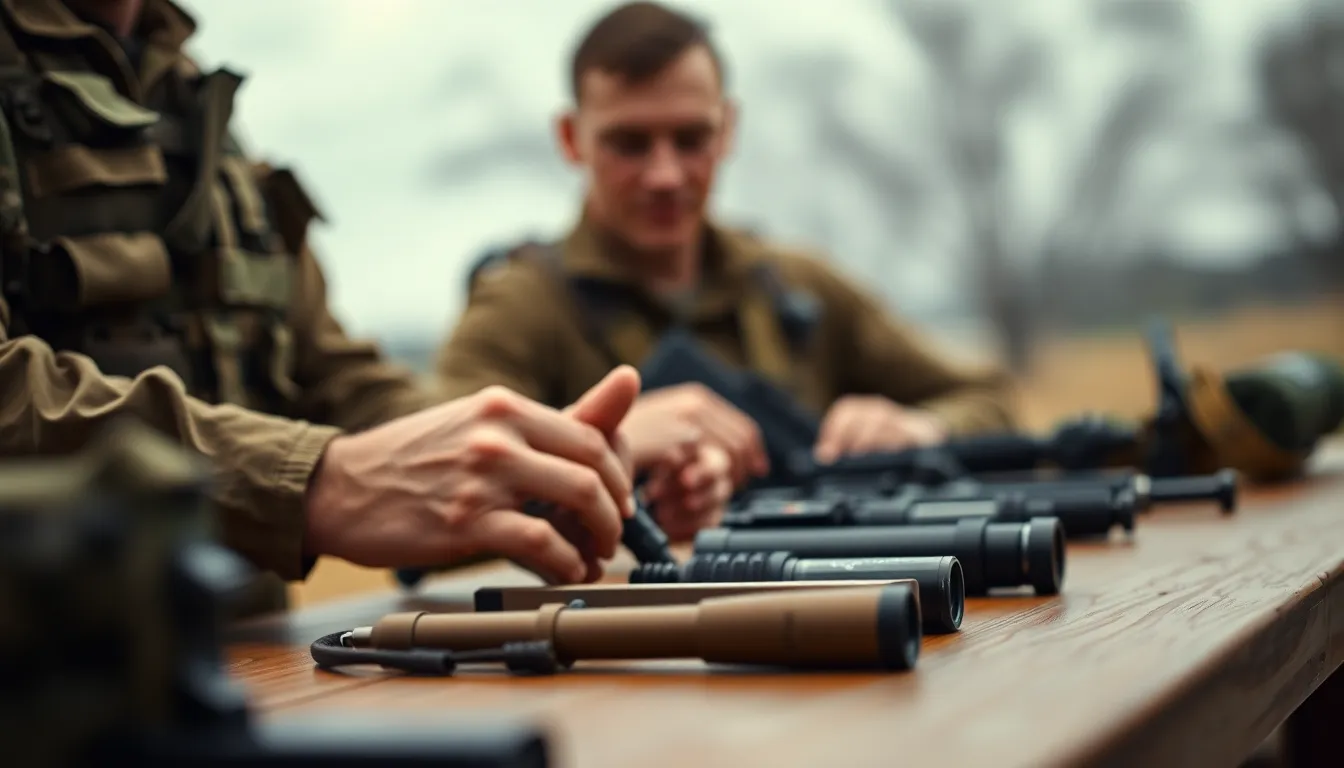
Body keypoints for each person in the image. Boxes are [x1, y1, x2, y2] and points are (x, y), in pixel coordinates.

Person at [0, 0, 665, 613]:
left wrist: (532, 470)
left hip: (234, 670)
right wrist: (316, 482)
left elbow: (329, 371)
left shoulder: (182, 89)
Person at [434, 0, 1020, 518]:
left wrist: (920, 429)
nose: (664, 175)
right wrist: (609, 448)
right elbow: (433, 489)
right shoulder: (520, 307)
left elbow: (991, 401)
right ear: (570, 138)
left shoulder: (797, 284)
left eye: (691, 139)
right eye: (629, 144)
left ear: (728, 130)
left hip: (827, 609)